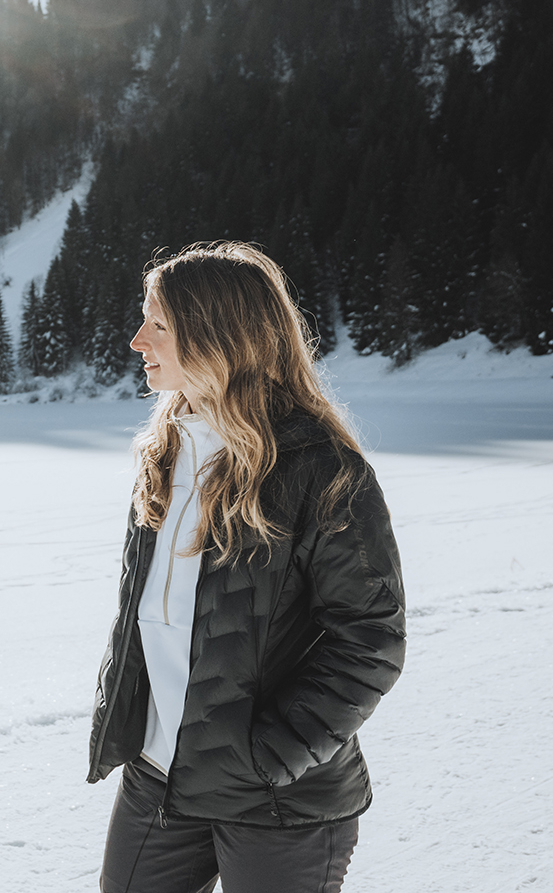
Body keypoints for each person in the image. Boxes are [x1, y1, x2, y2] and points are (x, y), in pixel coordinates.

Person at [88, 243, 406, 893]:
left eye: (159, 323)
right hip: (159, 776)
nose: (135, 339)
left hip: (278, 798)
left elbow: (372, 638)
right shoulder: (165, 454)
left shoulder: (321, 469)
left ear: (216, 335)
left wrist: (269, 758)